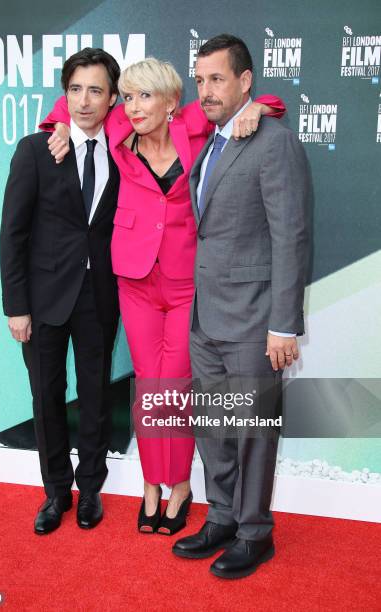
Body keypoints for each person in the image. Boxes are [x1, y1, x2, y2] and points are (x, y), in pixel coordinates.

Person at [40, 57, 285, 535]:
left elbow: (267, 101)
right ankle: (154, 483)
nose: (132, 106)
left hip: (186, 278)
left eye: (144, 96)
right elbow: (70, 104)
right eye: (127, 96)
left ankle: (179, 485)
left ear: (172, 103)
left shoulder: (192, 123)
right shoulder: (117, 125)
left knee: (173, 386)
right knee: (148, 386)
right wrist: (58, 125)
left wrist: (258, 107)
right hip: (133, 278)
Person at [171, 34, 310, 578]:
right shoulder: (212, 141)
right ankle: (223, 515)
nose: (206, 90)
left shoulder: (273, 143)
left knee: (253, 431)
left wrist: (283, 324)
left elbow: (290, 237)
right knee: (213, 425)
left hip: (256, 320)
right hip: (206, 317)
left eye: (218, 79)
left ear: (246, 81)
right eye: (200, 79)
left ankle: (255, 533)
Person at [0, 48, 121, 535]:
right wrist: (16, 307)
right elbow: (13, 233)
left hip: (99, 295)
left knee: (94, 394)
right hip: (44, 297)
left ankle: (91, 488)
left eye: (95, 90)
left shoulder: (127, 150)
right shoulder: (36, 149)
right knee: (46, 397)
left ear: (113, 98)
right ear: (63, 94)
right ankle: (55, 493)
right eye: (75, 89)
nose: (84, 101)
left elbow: (185, 116)